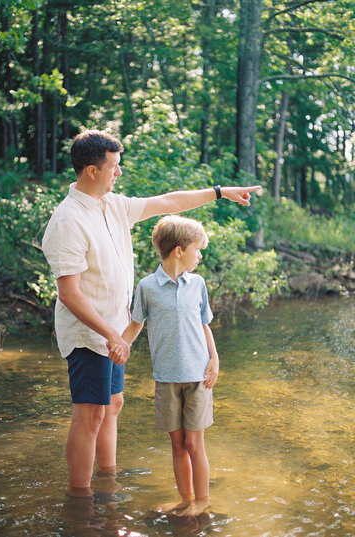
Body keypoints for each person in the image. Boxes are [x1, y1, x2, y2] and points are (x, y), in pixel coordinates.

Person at [41, 128, 260, 498]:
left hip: (114, 334)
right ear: (91, 170)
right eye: (114, 166)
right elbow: (69, 295)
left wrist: (220, 193)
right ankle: (80, 499)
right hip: (89, 335)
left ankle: (108, 482)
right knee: (90, 414)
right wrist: (112, 335)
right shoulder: (67, 221)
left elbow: (170, 203)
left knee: (112, 404)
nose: (119, 173)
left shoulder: (113, 206)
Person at [108, 215, 218, 516]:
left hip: (197, 376)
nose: (201, 255)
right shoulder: (147, 287)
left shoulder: (198, 284)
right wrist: (118, 344)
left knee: (195, 443)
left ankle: (203, 502)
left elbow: (205, 324)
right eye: (198, 249)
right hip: (166, 378)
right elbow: (135, 324)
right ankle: (185, 500)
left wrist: (214, 359)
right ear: (179, 250)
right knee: (178, 444)